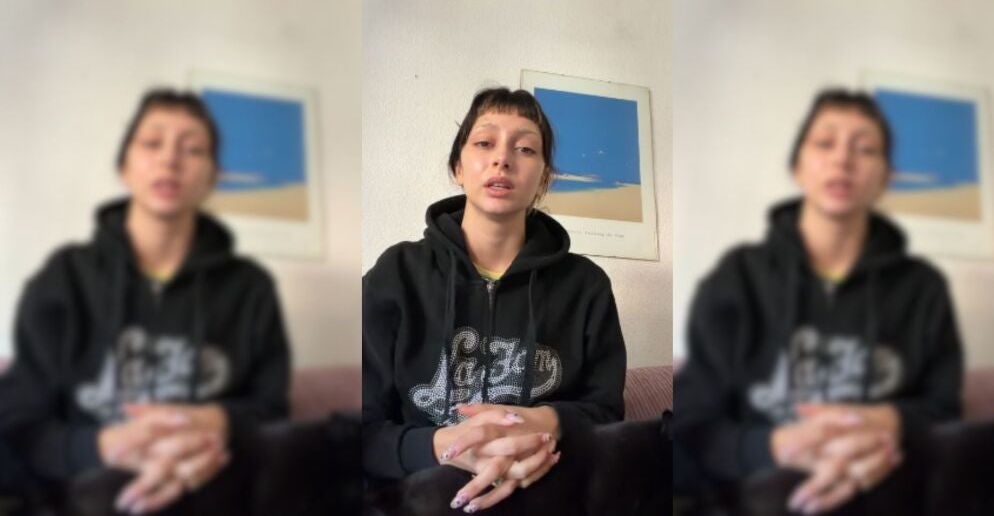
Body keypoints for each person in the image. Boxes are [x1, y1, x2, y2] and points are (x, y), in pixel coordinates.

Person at [0, 89, 291, 514]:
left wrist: (219, 423)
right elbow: (19, 421)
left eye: (192, 148)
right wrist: (102, 447)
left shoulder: (251, 288)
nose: (169, 159)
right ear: (124, 166)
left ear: (212, 176)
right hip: (83, 495)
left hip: (214, 489)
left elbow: (272, 411)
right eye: (152, 143)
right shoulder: (64, 277)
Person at [674, 89, 963, 514]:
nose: (842, 159)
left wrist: (891, 424)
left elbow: (945, 412)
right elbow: (692, 423)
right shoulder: (737, 277)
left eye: (865, 148)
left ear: (885, 177)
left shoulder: (924, 289)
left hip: (887, 487)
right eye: (825, 143)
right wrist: (775, 446)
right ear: (798, 167)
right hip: (757, 494)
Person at [362, 87, 627, 512]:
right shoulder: (396, 274)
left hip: (547, 489)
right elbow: (358, 429)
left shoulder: (586, 286)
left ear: (543, 178)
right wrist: (444, 447)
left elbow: (607, 415)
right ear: (458, 167)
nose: (502, 159)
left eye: (525, 148)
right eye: (485, 143)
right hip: (424, 493)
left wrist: (542, 423)